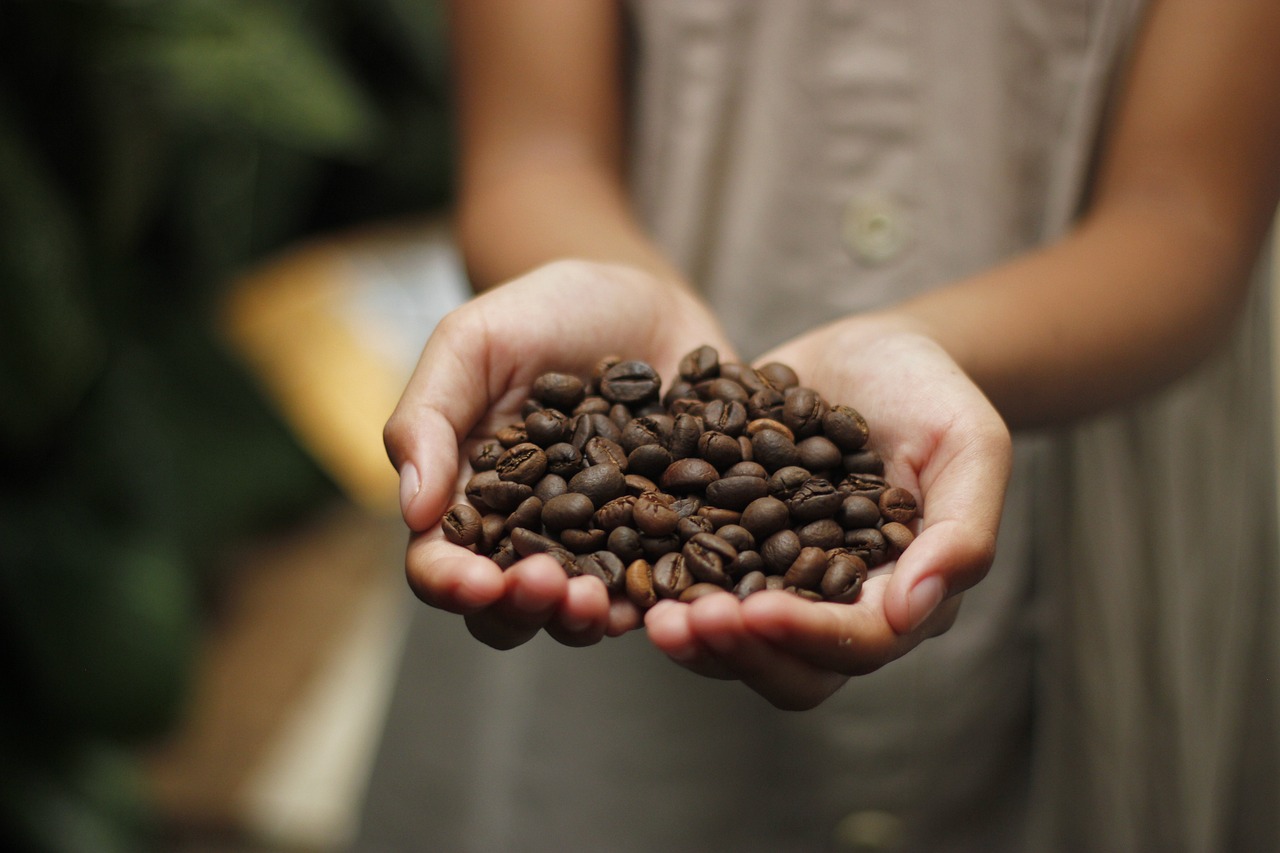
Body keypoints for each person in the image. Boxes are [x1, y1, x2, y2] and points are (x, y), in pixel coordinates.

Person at [379, 1, 1280, 849]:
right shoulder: (622, 452)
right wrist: (604, 292)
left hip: (1087, 530)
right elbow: (533, 157)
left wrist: (925, 343)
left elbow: (1187, 219)